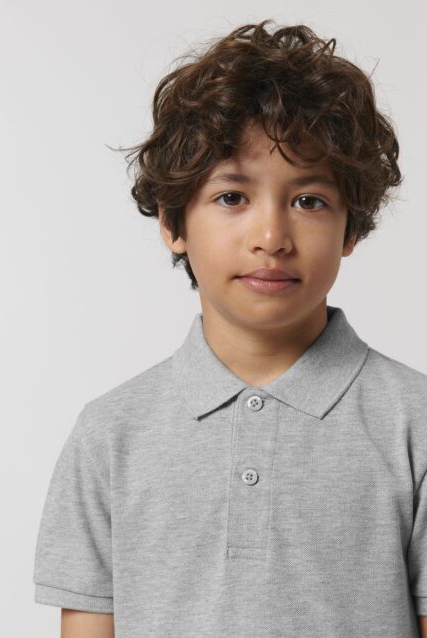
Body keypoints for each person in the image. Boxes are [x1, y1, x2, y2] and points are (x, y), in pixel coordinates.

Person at [33, 20, 427, 637]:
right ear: (173, 223)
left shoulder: (415, 423)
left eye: (309, 201)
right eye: (232, 197)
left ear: (351, 228)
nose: (271, 237)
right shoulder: (110, 434)